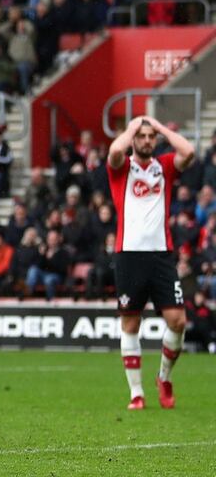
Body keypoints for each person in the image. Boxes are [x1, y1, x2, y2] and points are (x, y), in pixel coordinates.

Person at [107, 116, 194, 410]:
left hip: (161, 254)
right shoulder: (122, 168)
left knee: (178, 321)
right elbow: (114, 152)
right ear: (133, 139)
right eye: (141, 137)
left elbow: (189, 152)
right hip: (129, 254)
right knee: (130, 323)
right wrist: (133, 127)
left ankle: (163, 377)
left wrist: (159, 128)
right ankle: (136, 394)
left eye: (149, 137)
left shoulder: (164, 166)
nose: (146, 141)